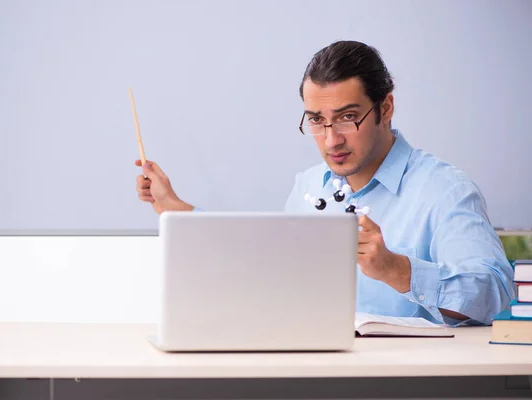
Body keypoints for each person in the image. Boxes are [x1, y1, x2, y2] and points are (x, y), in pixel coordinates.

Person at [135, 40, 515, 326]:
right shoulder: (309, 186)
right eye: (316, 120)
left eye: (348, 117)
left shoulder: (445, 191)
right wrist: (177, 211)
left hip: (404, 385)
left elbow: (496, 294)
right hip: (314, 374)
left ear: (385, 108)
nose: (331, 139)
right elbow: (271, 265)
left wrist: (398, 270)